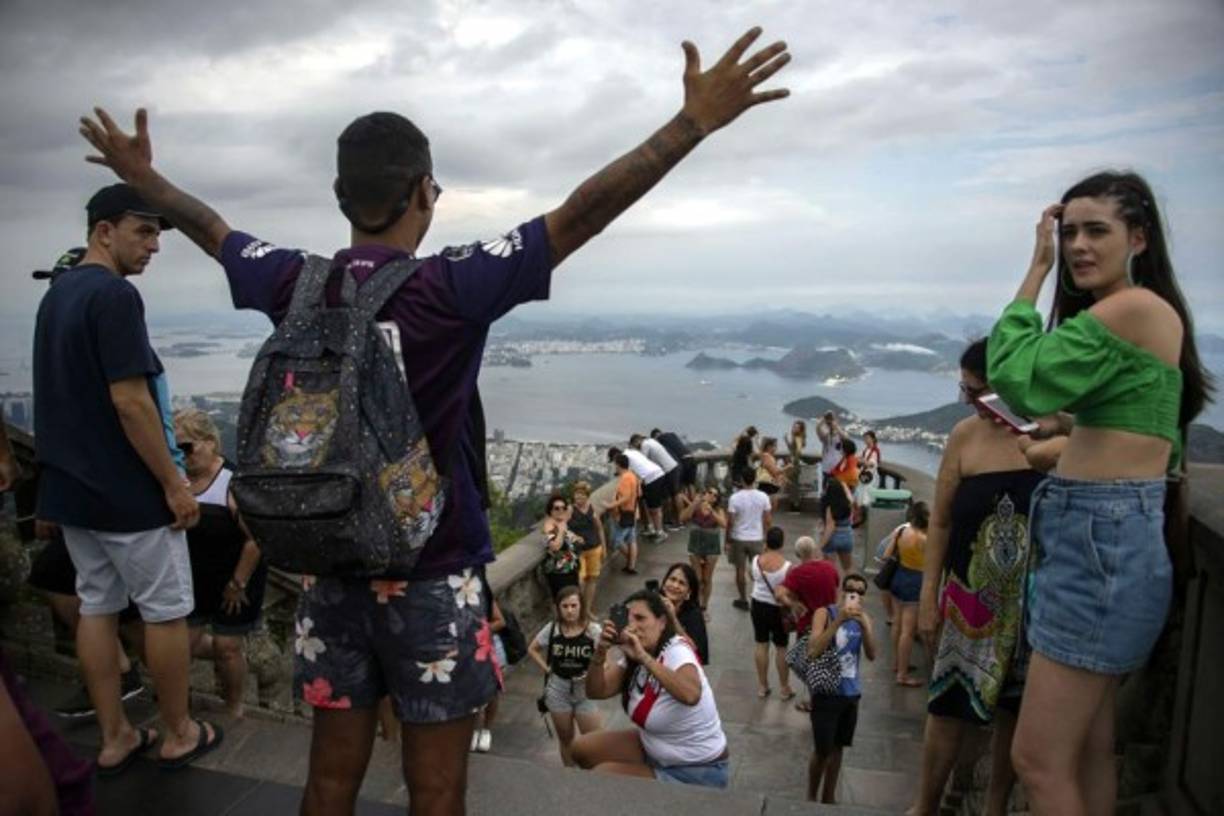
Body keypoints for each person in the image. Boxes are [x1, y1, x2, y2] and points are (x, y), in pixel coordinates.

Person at [80, 27, 789, 810]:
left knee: (329, 780)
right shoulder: (448, 287)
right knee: (437, 790)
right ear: (423, 191)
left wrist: (145, 180)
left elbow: (214, 232)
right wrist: (691, 124)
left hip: (330, 572)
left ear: (341, 197)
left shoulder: (296, 282)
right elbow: (581, 213)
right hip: (434, 576)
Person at [986, 173, 1213, 816]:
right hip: (1110, 538)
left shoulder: (1130, 308)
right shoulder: (1148, 313)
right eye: (1068, 234)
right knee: (1088, 749)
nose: (1078, 246)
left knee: (1037, 761)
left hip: (1100, 544)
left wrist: (1036, 269)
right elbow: (1145, 427)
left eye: (1096, 231)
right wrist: (1072, 433)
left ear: (1138, 238)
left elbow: (1019, 377)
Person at [32, 183, 219, 773]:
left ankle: (115, 737)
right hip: (127, 493)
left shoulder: (58, 295)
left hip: (73, 490)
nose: (154, 245)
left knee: (97, 606)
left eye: (158, 234)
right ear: (104, 231)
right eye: (144, 231)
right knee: (165, 613)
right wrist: (172, 484)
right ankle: (178, 731)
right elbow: (132, 402)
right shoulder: (114, 295)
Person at [908, 338, 1045, 816]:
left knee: (1015, 711)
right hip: (968, 600)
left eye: (979, 391)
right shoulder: (965, 437)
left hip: (1032, 605)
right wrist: (929, 595)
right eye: (965, 390)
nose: (970, 402)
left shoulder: (1053, 436)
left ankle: (994, 805)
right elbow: (941, 521)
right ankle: (924, 805)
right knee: (947, 705)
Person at [574, 590, 729, 788]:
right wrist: (600, 652)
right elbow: (596, 691)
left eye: (640, 618)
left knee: (603, 776)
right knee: (581, 749)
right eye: (628, 620)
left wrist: (644, 658)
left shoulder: (677, 650)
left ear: (662, 622)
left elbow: (691, 695)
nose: (632, 626)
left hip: (696, 768)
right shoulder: (634, 654)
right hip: (656, 746)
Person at [175, 408, 266, 718]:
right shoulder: (176, 480)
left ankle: (233, 706)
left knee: (227, 647)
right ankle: (178, 707)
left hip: (236, 578)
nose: (182, 455)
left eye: (187, 447)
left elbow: (255, 540)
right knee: (180, 646)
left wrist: (237, 583)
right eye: (175, 449)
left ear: (210, 442)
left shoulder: (232, 482)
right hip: (193, 579)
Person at [806, 572, 877, 805]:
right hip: (826, 693)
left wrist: (865, 627)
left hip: (851, 694)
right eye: (850, 589)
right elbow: (813, 650)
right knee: (822, 750)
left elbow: (872, 654)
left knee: (838, 749)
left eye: (860, 591)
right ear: (841, 591)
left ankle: (829, 797)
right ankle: (811, 796)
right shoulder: (824, 613)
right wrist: (839, 621)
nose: (854, 594)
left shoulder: (864, 619)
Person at [527, 586, 604, 767]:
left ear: (581, 606)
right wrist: (547, 669)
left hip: (585, 691)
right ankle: (568, 775)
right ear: (558, 608)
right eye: (565, 606)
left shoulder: (592, 630)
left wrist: (592, 673)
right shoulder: (552, 628)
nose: (569, 610)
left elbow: (605, 660)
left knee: (595, 740)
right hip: (558, 690)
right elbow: (532, 649)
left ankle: (595, 774)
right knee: (566, 739)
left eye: (574, 605)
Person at [775, 535, 839, 712]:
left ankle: (813, 700)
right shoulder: (830, 567)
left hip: (808, 625)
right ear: (814, 550)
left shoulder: (798, 573)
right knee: (830, 659)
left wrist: (792, 604)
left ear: (798, 554)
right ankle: (829, 693)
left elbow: (779, 594)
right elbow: (836, 586)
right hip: (831, 621)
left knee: (810, 664)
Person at [881, 500, 928, 688]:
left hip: (898, 577)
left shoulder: (901, 531)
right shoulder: (924, 539)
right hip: (915, 582)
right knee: (908, 632)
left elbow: (886, 555)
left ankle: (897, 663)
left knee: (897, 624)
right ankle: (902, 674)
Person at [749, 526, 793, 699]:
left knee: (761, 644)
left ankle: (762, 686)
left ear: (766, 542)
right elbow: (790, 591)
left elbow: (752, 576)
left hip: (757, 604)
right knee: (781, 647)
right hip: (778, 609)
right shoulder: (787, 566)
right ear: (782, 543)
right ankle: (784, 688)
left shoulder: (756, 560)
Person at [726, 467, 772, 611]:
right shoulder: (763, 496)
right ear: (755, 479)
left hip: (739, 537)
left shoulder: (735, 498)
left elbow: (730, 522)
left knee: (740, 569)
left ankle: (743, 599)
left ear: (741, 480)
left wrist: (727, 540)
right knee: (758, 570)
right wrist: (766, 538)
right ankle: (760, 596)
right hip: (757, 537)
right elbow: (767, 520)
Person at [679, 486, 726, 613]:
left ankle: (704, 606)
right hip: (695, 545)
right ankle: (696, 604)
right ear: (704, 493)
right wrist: (694, 503)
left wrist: (712, 512)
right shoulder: (696, 507)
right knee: (697, 578)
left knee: (707, 578)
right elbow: (682, 518)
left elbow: (724, 524)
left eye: (715, 495)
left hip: (712, 546)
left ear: (717, 499)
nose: (711, 496)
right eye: (709, 492)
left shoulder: (718, 509)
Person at [567, 481, 606, 617]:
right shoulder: (570, 510)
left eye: (582, 495)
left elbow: (599, 528)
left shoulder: (591, 508)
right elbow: (562, 527)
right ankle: (579, 609)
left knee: (592, 579)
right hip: (579, 551)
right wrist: (573, 536)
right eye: (577, 494)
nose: (579, 497)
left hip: (594, 548)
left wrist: (604, 547)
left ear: (587, 496)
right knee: (580, 581)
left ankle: (587, 610)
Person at [613, 444, 668, 540]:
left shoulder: (626, 458)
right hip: (656, 473)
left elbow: (628, 473)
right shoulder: (631, 451)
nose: (615, 466)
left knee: (654, 508)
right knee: (648, 505)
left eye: (615, 463)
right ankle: (652, 529)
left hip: (652, 478)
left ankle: (660, 532)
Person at [659, 563, 709, 665]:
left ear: (688, 593)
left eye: (681, 583)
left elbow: (696, 652)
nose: (675, 586)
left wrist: (673, 618)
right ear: (664, 583)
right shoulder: (651, 602)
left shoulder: (694, 615)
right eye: (672, 579)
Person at [632, 433, 682, 529]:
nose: (637, 448)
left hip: (668, 470)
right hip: (672, 467)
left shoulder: (645, 445)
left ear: (637, 441)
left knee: (671, 496)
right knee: (673, 495)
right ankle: (676, 520)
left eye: (636, 446)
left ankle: (674, 521)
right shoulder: (651, 441)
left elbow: (642, 462)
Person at [541, 493, 581, 601]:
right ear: (550, 511)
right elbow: (554, 546)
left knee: (574, 598)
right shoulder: (549, 526)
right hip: (559, 572)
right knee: (564, 600)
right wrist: (561, 531)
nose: (560, 510)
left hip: (570, 568)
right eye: (557, 508)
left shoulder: (561, 522)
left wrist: (575, 537)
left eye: (563, 508)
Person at [607, 453, 642, 575]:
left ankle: (630, 560)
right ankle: (631, 566)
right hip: (633, 512)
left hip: (623, 514)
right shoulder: (633, 475)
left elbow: (625, 497)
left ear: (618, 465)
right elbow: (639, 494)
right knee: (632, 539)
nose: (614, 467)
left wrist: (611, 505)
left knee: (615, 540)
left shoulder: (625, 478)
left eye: (615, 464)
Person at [817, 476, 855, 573]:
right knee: (848, 569)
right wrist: (841, 484)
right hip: (847, 536)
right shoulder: (848, 503)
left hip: (832, 539)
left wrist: (820, 545)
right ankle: (850, 582)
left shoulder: (830, 506)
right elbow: (848, 494)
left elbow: (831, 526)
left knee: (829, 571)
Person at [651, 428, 695, 493]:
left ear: (655, 437)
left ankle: (685, 499)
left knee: (679, 487)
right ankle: (693, 498)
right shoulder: (672, 434)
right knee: (690, 484)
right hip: (691, 457)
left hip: (682, 460)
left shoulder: (660, 440)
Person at [815, 411, 844, 491]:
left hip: (838, 467)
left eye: (832, 419)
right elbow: (818, 429)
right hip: (826, 467)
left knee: (837, 489)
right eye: (830, 420)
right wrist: (824, 419)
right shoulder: (826, 435)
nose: (831, 422)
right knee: (825, 489)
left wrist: (836, 427)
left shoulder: (840, 434)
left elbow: (846, 438)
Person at [755, 436, 787, 511]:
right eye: (775, 446)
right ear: (769, 447)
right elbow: (774, 471)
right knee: (771, 506)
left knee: (769, 507)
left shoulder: (765, 455)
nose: (776, 448)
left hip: (766, 484)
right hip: (768, 484)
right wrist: (787, 467)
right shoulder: (768, 457)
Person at [784, 420, 807, 511]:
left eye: (797, 427)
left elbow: (798, 451)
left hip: (794, 464)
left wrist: (793, 460)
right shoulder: (796, 437)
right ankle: (794, 504)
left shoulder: (798, 438)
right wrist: (786, 440)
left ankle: (795, 505)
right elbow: (792, 449)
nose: (794, 428)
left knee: (793, 486)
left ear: (800, 430)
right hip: (793, 464)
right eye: (794, 426)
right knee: (793, 485)